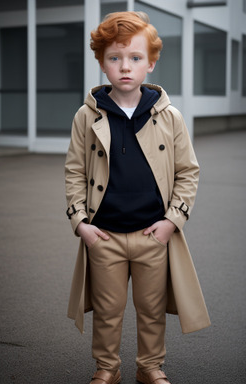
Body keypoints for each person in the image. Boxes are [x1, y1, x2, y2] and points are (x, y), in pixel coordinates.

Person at [65, 11, 210, 384]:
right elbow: (75, 172)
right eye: (114, 58)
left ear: (151, 63)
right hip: (105, 235)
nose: (124, 67)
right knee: (108, 310)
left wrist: (171, 222)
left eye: (134, 58)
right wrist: (80, 223)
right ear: (101, 63)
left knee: (152, 309)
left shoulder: (169, 116)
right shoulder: (87, 115)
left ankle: (150, 367)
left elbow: (188, 172)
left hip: (153, 234)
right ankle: (106, 369)